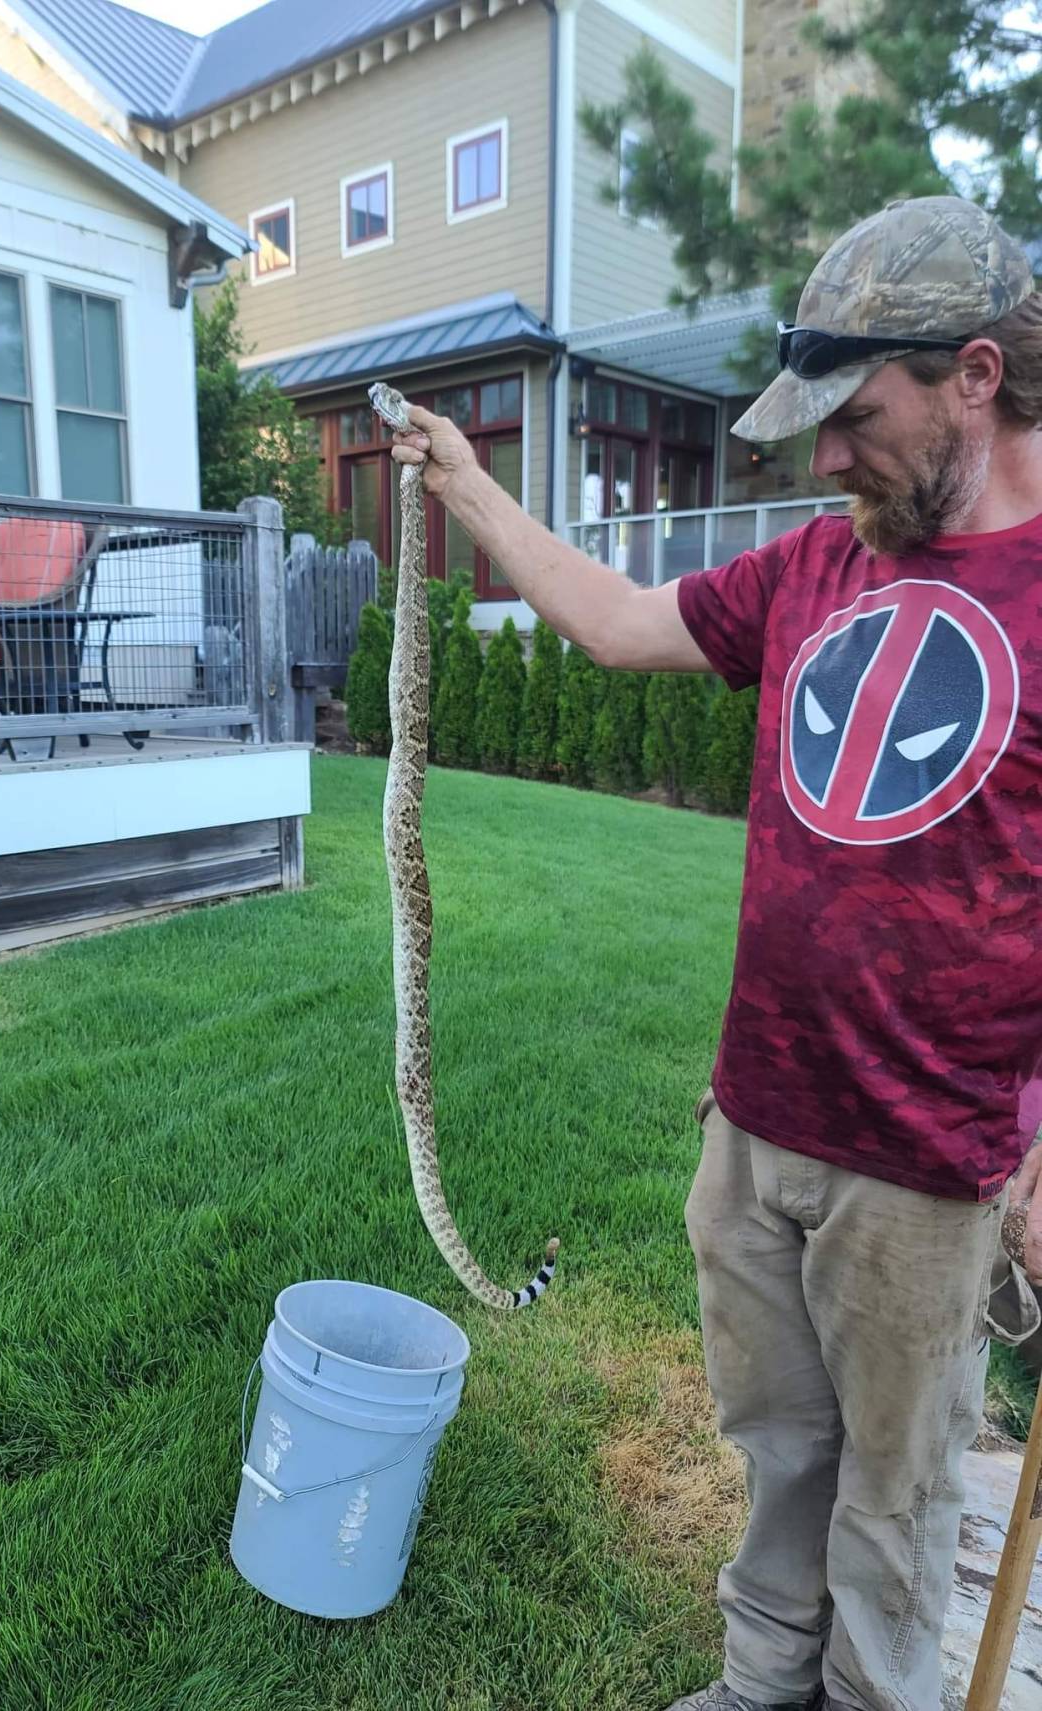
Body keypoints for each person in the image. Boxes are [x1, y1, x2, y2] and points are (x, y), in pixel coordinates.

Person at [389, 194, 1042, 1711]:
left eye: (853, 416)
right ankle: (761, 1688)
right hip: (755, 1124)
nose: (822, 459)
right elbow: (618, 620)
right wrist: (476, 493)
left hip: (926, 1166)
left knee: (897, 1494)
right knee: (780, 1451)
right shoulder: (818, 567)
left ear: (974, 377)